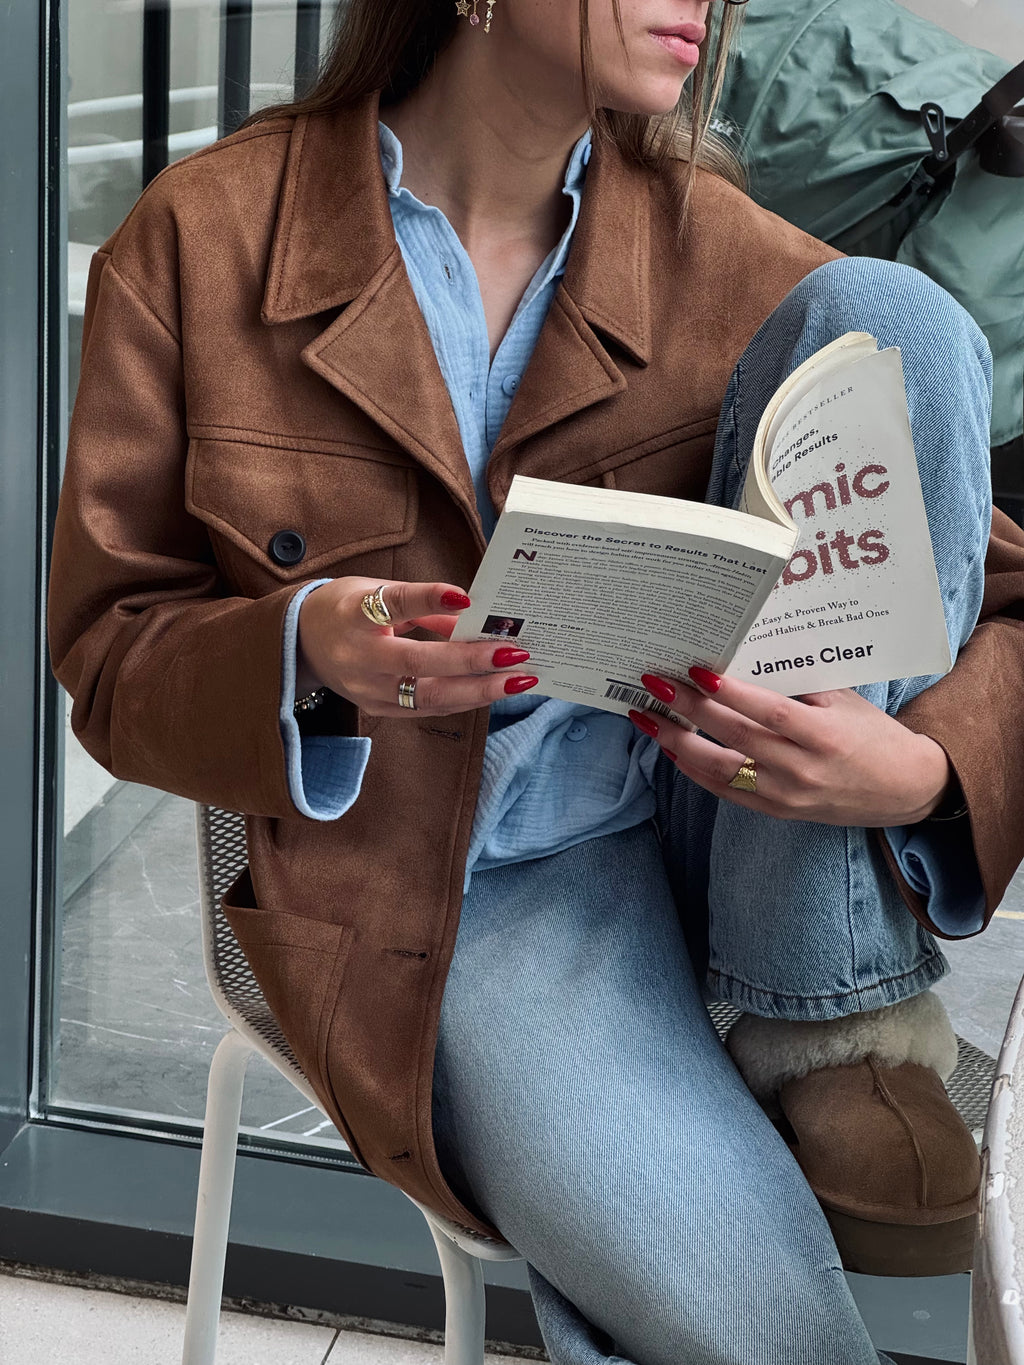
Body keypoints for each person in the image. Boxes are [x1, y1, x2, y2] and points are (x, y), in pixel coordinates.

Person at [47, 1, 1024, 1361]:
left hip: (749, 839)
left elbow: (1007, 590)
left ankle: (831, 1013)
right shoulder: (206, 240)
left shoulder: (720, 251)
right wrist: (306, 647)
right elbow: (111, 648)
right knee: (772, 1338)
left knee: (893, 316)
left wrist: (918, 772)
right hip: (468, 895)